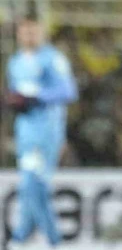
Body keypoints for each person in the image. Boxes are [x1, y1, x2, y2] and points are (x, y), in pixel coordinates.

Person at [2, 13, 78, 249]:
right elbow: (16, 96)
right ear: (18, 34)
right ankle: (22, 239)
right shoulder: (15, 62)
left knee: (33, 184)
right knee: (30, 187)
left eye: (33, 31)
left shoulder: (53, 59)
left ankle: (47, 240)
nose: (29, 35)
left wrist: (37, 96)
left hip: (46, 133)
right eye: (25, 31)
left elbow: (68, 91)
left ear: (42, 32)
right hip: (25, 133)